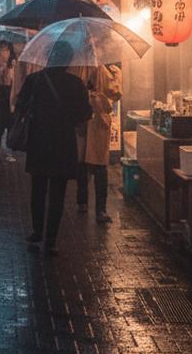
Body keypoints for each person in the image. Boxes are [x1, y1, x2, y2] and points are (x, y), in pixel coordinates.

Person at [14, 41, 92, 254]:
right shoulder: (76, 84)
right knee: (58, 193)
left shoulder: (34, 80)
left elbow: (20, 106)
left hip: (39, 141)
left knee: (38, 189)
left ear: (48, 57)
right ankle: (51, 240)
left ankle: (37, 231)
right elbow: (85, 114)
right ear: (68, 61)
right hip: (63, 143)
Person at [76, 63, 122, 223]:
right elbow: (116, 93)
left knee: (82, 163)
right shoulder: (101, 69)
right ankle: (100, 210)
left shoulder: (76, 67)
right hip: (98, 123)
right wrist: (118, 75)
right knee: (100, 167)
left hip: (81, 122)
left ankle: (82, 202)